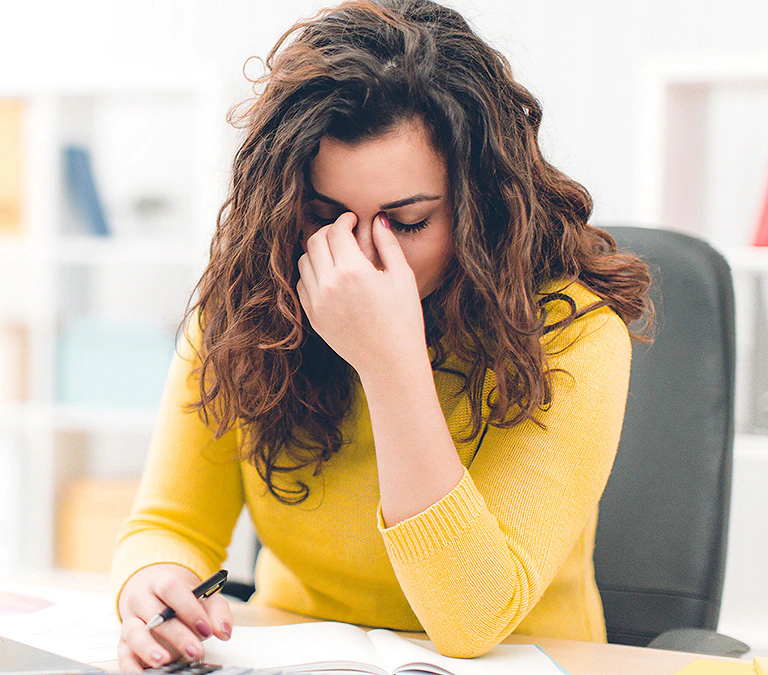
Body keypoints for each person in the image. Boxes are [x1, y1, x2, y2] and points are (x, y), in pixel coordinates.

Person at [109, 0, 653, 670]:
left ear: (479, 205)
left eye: (408, 221)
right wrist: (152, 583)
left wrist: (388, 360)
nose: (362, 259)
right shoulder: (247, 306)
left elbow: (470, 619)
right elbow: (170, 524)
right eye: (325, 215)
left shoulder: (575, 331)